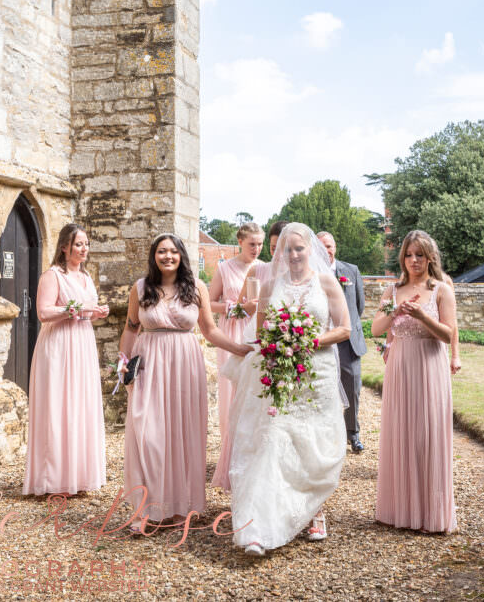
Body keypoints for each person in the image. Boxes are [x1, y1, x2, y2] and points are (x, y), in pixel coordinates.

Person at [220, 223, 350, 556]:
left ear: (310, 250)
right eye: (287, 249)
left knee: (312, 442)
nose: (293, 255)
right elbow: (262, 333)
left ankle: (314, 508)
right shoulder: (269, 287)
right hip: (280, 373)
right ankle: (258, 526)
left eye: (299, 248)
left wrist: (308, 341)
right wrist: (280, 344)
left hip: (317, 372)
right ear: (280, 253)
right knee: (274, 438)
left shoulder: (326, 283)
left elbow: (345, 329)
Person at [118, 234, 251, 529]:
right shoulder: (140, 288)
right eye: (162, 251)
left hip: (185, 365)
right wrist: (122, 360)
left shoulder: (196, 288)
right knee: (147, 434)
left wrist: (240, 349)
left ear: (181, 256)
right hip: (149, 363)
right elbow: (130, 327)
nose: (168, 256)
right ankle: (144, 509)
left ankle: (179, 507)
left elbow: (210, 331)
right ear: (154, 256)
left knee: (181, 433)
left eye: (173, 251)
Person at [371, 229, 458, 533]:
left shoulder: (441, 290)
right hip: (400, 367)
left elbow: (449, 334)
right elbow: (375, 329)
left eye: (419, 254)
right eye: (409, 254)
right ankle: (400, 510)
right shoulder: (392, 290)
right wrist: (394, 310)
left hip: (430, 366)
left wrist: (423, 317)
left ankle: (431, 514)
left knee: (427, 435)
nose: (413, 260)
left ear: (430, 256)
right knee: (401, 432)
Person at [23, 223, 109, 496]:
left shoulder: (86, 277)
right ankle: (53, 479)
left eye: (86, 244)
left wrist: (95, 313)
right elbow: (43, 312)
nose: (84, 249)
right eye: (79, 244)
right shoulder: (53, 275)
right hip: (59, 345)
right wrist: (74, 308)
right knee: (58, 406)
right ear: (64, 247)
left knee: (81, 405)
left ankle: (78, 476)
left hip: (82, 343)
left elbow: (85, 310)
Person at [208, 222, 265, 491]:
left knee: (255, 392)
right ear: (240, 242)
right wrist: (237, 308)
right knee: (232, 393)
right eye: (252, 243)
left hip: (257, 332)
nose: (256, 249)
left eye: (260, 244)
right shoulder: (224, 268)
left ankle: (255, 456)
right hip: (231, 333)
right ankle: (231, 458)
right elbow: (208, 303)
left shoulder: (264, 268)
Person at [316, 231, 367, 453]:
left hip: (348, 342)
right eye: (321, 247)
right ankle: (324, 436)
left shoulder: (351, 271)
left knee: (352, 388)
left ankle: (352, 433)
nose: (326, 251)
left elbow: (359, 305)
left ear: (335, 247)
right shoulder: (310, 274)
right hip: (321, 340)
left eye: (329, 246)